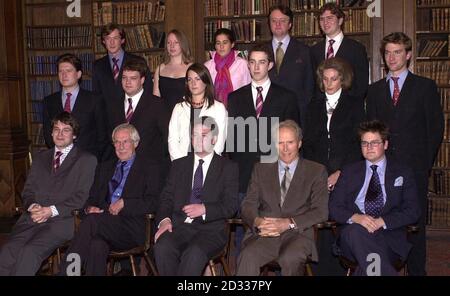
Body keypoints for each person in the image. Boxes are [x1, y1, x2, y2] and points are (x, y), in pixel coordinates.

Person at [366, 32, 444, 276]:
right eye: (388, 52)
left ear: (408, 54)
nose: (392, 57)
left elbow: (435, 129)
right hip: (383, 169)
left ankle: (416, 271)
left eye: (397, 52)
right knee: (383, 221)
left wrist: (423, 164)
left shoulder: (425, 87)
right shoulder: (375, 90)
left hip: (414, 169)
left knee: (415, 225)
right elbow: (371, 129)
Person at [59, 124, 164, 276]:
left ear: (135, 143)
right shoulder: (104, 168)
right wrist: (89, 208)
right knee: (97, 245)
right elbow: (92, 199)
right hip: (104, 223)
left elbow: (154, 202)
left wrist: (125, 203)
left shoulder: (149, 167)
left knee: (91, 222)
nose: (121, 147)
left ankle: (68, 273)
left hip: (133, 227)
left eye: (125, 142)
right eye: (117, 142)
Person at [0, 112, 97, 276]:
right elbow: (28, 190)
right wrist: (33, 205)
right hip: (33, 218)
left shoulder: (86, 160)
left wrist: (50, 210)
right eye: (56, 129)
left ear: (74, 135)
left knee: (29, 252)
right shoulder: (40, 158)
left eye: (66, 130)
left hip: (62, 221)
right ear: (51, 133)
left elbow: (82, 197)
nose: (60, 134)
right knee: (8, 251)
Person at [227, 43, 300, 257]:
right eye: (252, 62)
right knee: (246, 232)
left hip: (276, 174)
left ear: (269, 65)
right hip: (245, 175)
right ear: (247, 65)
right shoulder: (235, 97)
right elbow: (233, 142)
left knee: (276, 231)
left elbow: (293, 140)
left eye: (261, 62)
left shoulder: (286, 97)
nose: (256, 67)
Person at [236, 120, 328, 276]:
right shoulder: (260, 169)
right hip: (266, 234)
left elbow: (321, 211)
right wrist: (257, 221)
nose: (285, 148)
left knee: (290, 258)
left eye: (290, 142)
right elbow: (248, 204)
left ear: (299, 143)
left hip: (298, 235)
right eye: (280, 143)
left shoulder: (316, 171)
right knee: (247, 256)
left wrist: (289, 223)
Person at [329, 120, 421, 276]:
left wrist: (382, 222)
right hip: (353, 239)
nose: (369, 147)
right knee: (356, 232)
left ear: (385, 144)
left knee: (369, 263)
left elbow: (413, 211)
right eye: (364, 143)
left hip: (389, 239)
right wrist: (357, 218)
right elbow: (333, 208)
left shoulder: (402, 172)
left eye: (374, 143)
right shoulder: (348, 172)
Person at [154, 116, 238, 276]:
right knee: (162, 246)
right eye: (194, 135)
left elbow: (231, 205)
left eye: (204, 135)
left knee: (193, 253)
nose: (198, 139)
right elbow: (166, 198)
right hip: (180, 226)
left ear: (214, 139)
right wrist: (165, 221)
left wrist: (205, 209)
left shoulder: (228, 167)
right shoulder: (179, 165)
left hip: (211, 230)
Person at [303, 57, 365, 275]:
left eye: (334, 79)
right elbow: (308, 144)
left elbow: (358, 144)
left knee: (340, 221)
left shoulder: (355, 105)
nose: (329, 83)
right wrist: (319, 174)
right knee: (319, 221)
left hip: (345, 174)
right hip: (318, 174)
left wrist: (341, 172)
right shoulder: (313, 105)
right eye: (325, 79)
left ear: (342, 79)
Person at [92, 24, 153, 141]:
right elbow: (97, 96)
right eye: (108, 39)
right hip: (109, 123)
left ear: (123, 40)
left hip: (136, 117)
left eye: (115, 38)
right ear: (103, 42)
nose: (112, 42)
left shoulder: (137, 61)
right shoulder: (98, 66)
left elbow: (148, 89)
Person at [43, 53, 107, 161]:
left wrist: (94, 160)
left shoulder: (94, 100)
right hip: (60, 161)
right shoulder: (49, 101)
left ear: (78, 74)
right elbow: (48, 135)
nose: (64, 75)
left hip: (87, 161)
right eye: (61, 71)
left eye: (68, 71)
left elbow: (102, 136)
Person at [108, 57, 169, 163]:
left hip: (149, 167)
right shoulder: (113, 105)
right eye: (124, 78)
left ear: (142, 80)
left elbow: (166, 139)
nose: (127, 82)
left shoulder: (157, 105)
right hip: (120, 165)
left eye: (133, 78)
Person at [267, 4, 315, 128]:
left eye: (282, 21)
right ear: (269, 23)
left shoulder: (304, 51)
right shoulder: (260, 51)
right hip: (267, 115)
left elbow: (310, 86)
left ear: (290, 24)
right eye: (274, 21)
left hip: (296, 114)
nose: (277, 24)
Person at [168, 63, 227, 161]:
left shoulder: (218, 108)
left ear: (206, 81)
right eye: (190, 80)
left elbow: (219, 142)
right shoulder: (179, 108)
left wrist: (206, 164)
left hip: (208, 164)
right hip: (182, 162)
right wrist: (179, 163)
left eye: (197, 79)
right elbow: (172, 139)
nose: (193, 83)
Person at [311, 2, 369, 101]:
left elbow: (361, 85)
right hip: (320, 110)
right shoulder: (314, 50)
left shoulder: (356, 48)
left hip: (348, 108)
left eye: (329, 18)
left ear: (340, 20)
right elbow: (312, 84)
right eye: (322, 19)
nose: (325, 22)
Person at [204, 28, 251, 108]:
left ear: (232, 44)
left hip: (238, 108)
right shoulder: (207, 66)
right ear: (215, 46)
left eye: (225, 42)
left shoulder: (242, 64)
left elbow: (248, 90)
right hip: (213, 109)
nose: (221, 46)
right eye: (218, 43)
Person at [153, 29, 193, 113]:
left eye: (176, 42)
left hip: (185, 116)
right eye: (169, 42)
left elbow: (197, 96)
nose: (172, 46)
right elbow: (155, 99)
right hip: (164, 116)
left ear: (183, 45)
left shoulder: (191, 68)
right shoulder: (160, 68)